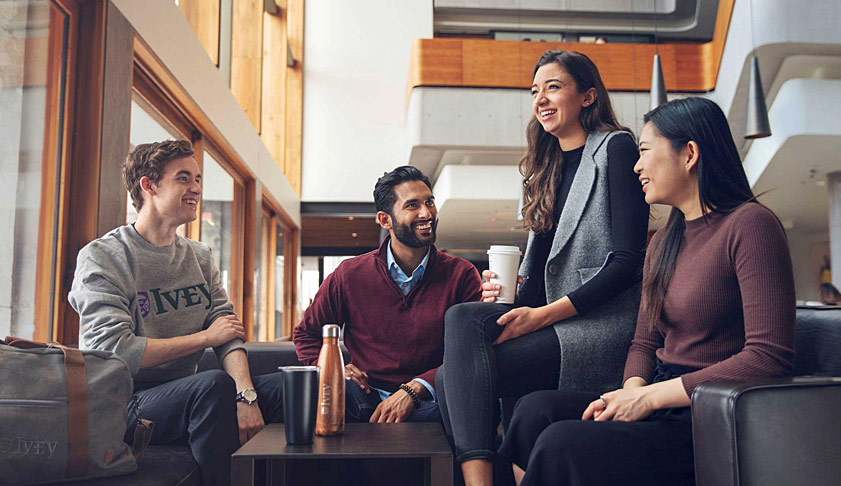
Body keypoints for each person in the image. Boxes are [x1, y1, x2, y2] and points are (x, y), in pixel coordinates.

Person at [498, 97, 796, 486]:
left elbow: (768, 358)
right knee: (534, 411)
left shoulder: (751, 225)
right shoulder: (663, 241)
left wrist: (650, 398)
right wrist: (630, 393)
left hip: (709, 415)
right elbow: (643, 342)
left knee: (562, 442)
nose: (636, 166)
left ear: (689, 154)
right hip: (659, 398)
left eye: (644, 151)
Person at [436, 50, 649, 485]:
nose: (541, 99)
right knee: (462, 318)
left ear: (588, 96)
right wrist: (511, 291)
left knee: (449, 381)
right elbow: (541, 279)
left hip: (599, 324)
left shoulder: (615, 148)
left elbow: (627, 263)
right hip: (550, 320)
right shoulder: (544, 166)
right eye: (535, 91)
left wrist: (542, 315)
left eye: (553, 87)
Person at [69, 140, 282, 486]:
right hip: (125, 406)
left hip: (190, 395)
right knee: (212, 386)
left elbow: (226, 332)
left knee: (294, 387)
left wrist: (246, 394)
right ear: (149, 186)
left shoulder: (199, 256)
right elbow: (114, 350)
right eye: (184, 178)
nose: (196, 188)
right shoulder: (103, 257)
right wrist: (205, 338)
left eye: (198, 179)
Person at [293, 166, 482, 424]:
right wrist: (332, 368)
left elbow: (471, 351)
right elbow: (307, 334)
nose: (427, 213)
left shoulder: (462, 275)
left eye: (429, 202)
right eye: (412, 205)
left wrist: (415, 389)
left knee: (465, 410)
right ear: (385, 220)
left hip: (431, 400)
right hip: (362, 398)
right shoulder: (350, 274)